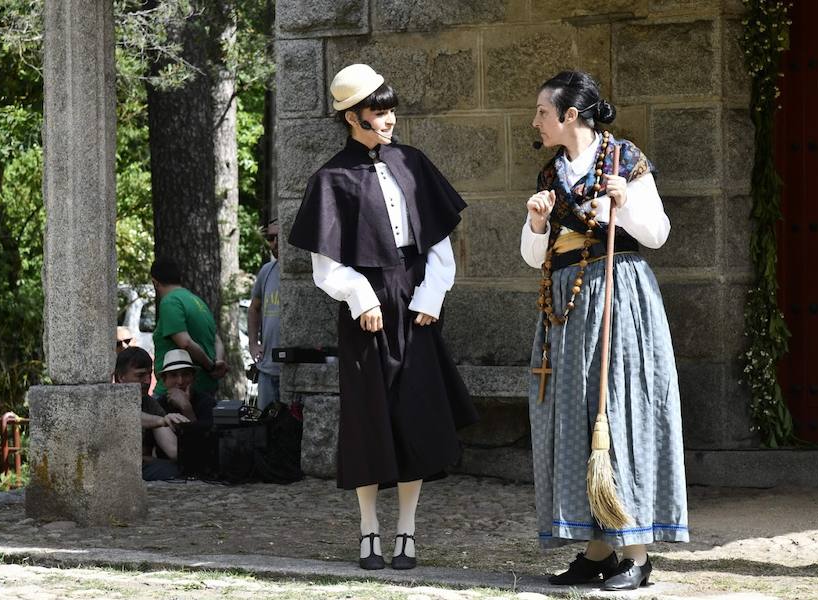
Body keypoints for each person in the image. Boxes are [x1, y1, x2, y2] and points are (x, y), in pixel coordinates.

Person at [289, 63, 478, 571]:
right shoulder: (330, 178)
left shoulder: (414, 163)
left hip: (415, 305)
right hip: (365, 311)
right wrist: (361, 298)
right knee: (368, 417)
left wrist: (431, 297)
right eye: (379, 111)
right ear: (353, 117)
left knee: (414, 414)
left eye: (392, 110)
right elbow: (326, 266)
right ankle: (369, 529)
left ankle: (407, 532)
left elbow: (439, 246)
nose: (389, 119)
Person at [520, 71, 688, 591]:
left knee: (621, 411)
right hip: (569, 309)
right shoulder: (552, 177)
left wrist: (625, 202)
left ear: (571, 115)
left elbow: (656, 234)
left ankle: (636, 552)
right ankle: (598, 550)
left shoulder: (625, 162)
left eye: (543, 112)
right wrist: (537, 224)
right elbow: (533, 259)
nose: (536, 121)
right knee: (577, 417)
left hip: (620, 297)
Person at [150, 258, 227, 396]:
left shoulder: (170, 302)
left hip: (178, 390)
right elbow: (217, 340)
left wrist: (210, 366)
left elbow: (185, 342)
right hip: (205, 388)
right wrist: (219, 362)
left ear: (155, 282)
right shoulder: (197, 301)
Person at [113, 346, 188, 480]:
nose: (148, 381)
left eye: (149, 374)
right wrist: (162, 421)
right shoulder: (109, 399)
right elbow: (130, 416)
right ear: (121, 377)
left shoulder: (148, 402)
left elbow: (173, 450)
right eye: (140, 375)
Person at [248, 217, 282, 410]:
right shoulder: (267, 271)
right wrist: (253, 344)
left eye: (279, 236)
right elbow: (254, 308)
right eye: (270, 238)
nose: (275, 243)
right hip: (267, 370)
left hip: (293, 372)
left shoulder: (307, 273)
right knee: (265, 432)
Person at [153, 348, 216, 423]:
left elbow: (203, 433)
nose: (180, 381)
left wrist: (186, 407)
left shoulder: (207, 403)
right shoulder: (157, 406)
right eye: (173, 375)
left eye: (185, 374)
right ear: (164, 381)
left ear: (194, 378)